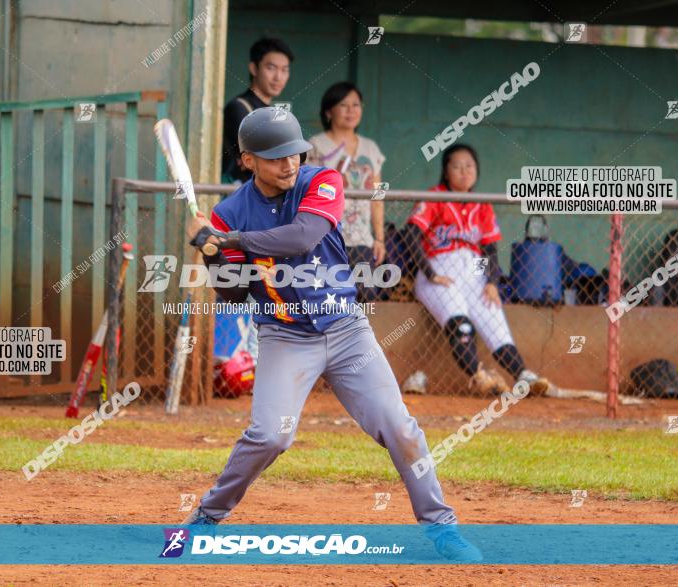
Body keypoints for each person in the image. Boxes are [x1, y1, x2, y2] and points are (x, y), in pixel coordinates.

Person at [182, 107, 482, 562]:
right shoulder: (228, 214)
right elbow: (234, 294)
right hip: (284, 337)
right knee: (269, 436)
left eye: (295, 154)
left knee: (399, 427)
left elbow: (303, 236)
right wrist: (210, 252)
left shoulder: (321, 181)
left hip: (347, 331)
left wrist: (229, 240)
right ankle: (207, 515)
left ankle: (443, 530)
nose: (289, 164)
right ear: (247, 160)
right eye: (276, 157)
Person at [401, 144, 554, 396]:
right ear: (446, 171)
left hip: (474, 268)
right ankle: (479, 377)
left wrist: (492, 282)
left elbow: (490, 250)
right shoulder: (435, 196)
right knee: (460, 324)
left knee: (493, 320)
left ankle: (522, 375)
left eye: (469, 166)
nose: (464, 171)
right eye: (457, 166)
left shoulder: (482, 204)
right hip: (440, 267)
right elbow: (411, 235)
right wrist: (430, 273)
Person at [306, 82, 386, 301]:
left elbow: (378, 195)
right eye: (344, 105)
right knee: (327, 295)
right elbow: (309, 191)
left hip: (362, 238)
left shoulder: (371, 149)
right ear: (328, 111)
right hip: (327, 236)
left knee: (364, 296)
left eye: (356, 105)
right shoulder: (316, 145)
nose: (351, 110)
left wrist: (379, 238)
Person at [221, 38, 294, 184]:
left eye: (284, 70)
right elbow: (260, 154)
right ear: (254, 68)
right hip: (241, 194)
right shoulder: (238, 107)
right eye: (271, 68)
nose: (278, 77)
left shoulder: (274, 112)